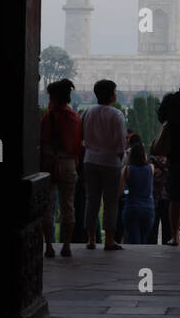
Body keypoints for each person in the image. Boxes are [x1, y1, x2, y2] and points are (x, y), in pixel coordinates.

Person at [82, 78, 127, 251]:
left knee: (91, 200)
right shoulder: (116, 115)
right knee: (111, 202)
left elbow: (83, 136)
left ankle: (91, 239)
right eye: (114, 91)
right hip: (110, 162)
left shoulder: (88, 112)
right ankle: (109, 240)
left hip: (90, 159)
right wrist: (121, 158)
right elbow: (121, 143)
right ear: (111, 95)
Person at [40, 78, 82, 259]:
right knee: (68, 205)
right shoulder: (74, 117)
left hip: (50, 163)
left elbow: (42, 142)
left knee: (48, 206)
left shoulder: (49, 117)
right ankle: (66, 245)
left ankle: (48, 245)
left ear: (54, 97)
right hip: (69, 164)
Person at [157, 86, 180, 246]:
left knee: (175, 197)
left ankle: (175, 236)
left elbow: (161, 117)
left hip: (175, 152)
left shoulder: (172, 100)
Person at [121, 140, 156, 243]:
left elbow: (120, 191)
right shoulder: (151, 168)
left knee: (134, 242)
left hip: (132, 208)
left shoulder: (127, 169)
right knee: (143, 241)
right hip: (148, 210)